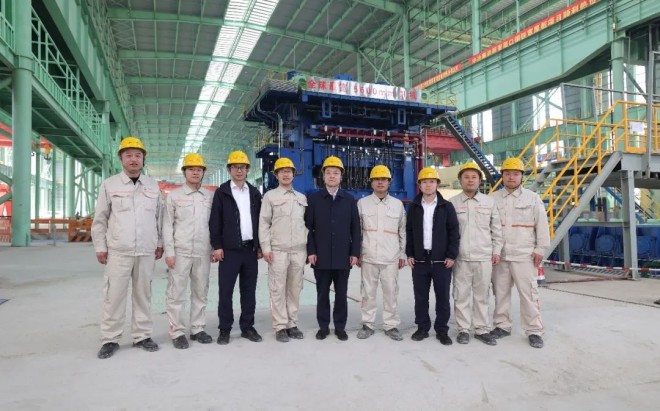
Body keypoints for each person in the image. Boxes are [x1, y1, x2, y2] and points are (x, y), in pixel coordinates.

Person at [92, 136, 163, 359]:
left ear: (143, 159)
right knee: (114, 296)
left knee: (143, 295)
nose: (134, 159)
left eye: (138, 155)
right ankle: (110, 339)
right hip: (118, 251)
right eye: (129, 155)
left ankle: (142, 336)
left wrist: (159, 243)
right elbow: (100, 219)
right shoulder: (110, 185)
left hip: (146, 250)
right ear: (121, 159)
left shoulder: (152, 186)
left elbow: (159, 217)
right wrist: (100, 246)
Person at [489, 157, 550, 349]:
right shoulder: (493, 199)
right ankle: (502, 325)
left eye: (515, 174)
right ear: (502, 176)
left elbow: (542, 225)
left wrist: (540, 249)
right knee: (500, 293)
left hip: (525, 255)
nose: (511, 177)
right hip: (500, 255)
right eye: (507, 174)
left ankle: (534, 330)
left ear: (522, 176)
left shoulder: (532, 199)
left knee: (529, 294)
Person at [209, 150, 263, 345]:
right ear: (229, 170)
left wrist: (259, 246)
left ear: (247, 170)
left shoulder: (254, 193)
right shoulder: (222, 192)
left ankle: (247, 327)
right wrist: (217, 246)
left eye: (242, 167)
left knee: (249, 291)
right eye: (235, 167)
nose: (239, 170)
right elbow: (215, 221)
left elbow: (260, 221)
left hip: (250, 250)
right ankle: (225, 328)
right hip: (229, 251)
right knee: (226, 291)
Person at [305, 156, 361, 341]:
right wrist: (311, 251)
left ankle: (339, 327)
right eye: (328, 172)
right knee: (322, 294)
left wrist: (354, 253)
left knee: (341, 294)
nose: (332, 176)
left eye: (336, 173)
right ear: (323, 176)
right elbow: (308, 228)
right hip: (320, 256)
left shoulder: (349, 200)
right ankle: (323, 327)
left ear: (341, 176)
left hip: (343, 256)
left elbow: (355, 228)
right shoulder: (314, 199)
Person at [162, 153, 214, 349]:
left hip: (203, 251)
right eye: (191, 169)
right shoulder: (174, 196)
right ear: (184, 172)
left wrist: (213, 248)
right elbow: (167, 225)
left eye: (199, 169)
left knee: (201, 292)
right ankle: (177, 332)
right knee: (176, 293)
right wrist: (169, 252)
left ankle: (197, 328)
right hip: (180, 251)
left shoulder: (209, 197)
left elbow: (214, 224)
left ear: (203, 172)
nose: (195, 172)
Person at [449, 163, 502, 346]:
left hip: (484, 257)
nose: (470, 180)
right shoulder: (452, 203)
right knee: (461, 295)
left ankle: (481, 329)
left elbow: (496, 230)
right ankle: (463, 329)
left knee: (482, 295)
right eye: (466, 177)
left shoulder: (489, 203)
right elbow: (448, 232)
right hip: (461, 258)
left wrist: (496, 251)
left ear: (480, 180)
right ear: (460, 181)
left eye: (474, 177)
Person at [406, 167, 459, 345]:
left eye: (432, 182)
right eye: (424, 182)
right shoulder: (414, 207)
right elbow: (409, 231)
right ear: (419, 185)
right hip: (420, 260)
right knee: (421, 297)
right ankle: (422, 328)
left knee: (443, 298)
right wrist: (410, 253)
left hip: (441, 261)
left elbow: (454, 232)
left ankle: (442, 330)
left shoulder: (446, 207)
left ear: (437, 184)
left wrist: (451, 255)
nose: (428, 185)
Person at [259, 157, 308, 342]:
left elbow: (307, 224)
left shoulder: (301, 198)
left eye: (289, 171)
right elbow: (264, 223)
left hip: (298, 251)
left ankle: (292, 323)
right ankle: (280, 326)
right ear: (276, 175)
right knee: (277, 289)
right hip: (278, 250)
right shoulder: (270, 197)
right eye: (282, 171)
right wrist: (266, 247)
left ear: (293, 175)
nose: (286, 174)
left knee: (295, 288)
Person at [356, 165, 406, 341]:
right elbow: (357, 231)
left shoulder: (397, 205)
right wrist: (357, 253)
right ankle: (367, 324)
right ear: (371, 182)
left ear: (389, 182)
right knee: (367, 293)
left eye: (383, 179)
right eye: (376, 179)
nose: (380, 182)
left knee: (391, 293)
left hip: (390, 257)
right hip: (368, 256)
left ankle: (391, 325)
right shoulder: (362, 204)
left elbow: (403, 231)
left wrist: (402, 254)